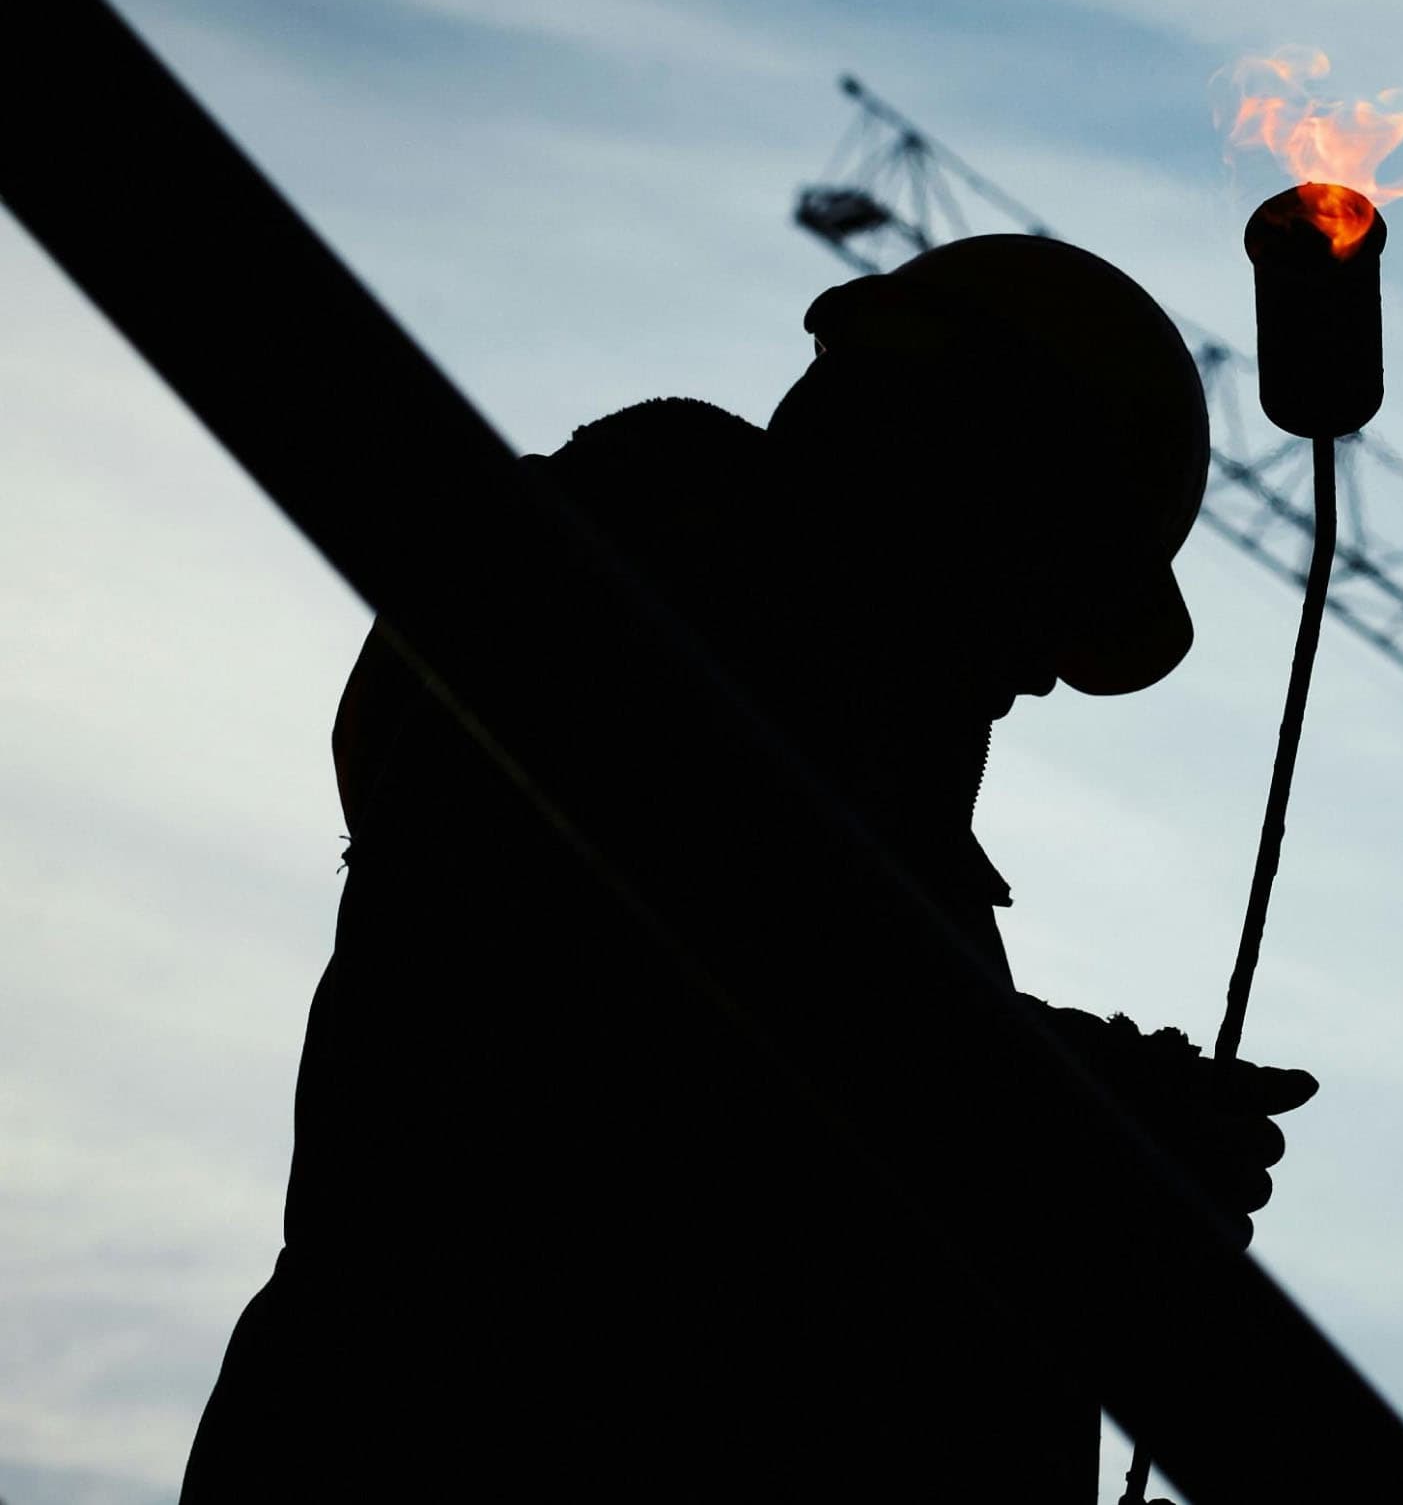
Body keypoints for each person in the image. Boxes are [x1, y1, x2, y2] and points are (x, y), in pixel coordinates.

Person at [181, 236, 1313, 1501]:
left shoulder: (838, 834)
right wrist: (1077, 1122)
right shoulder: (612, 628)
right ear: (953, 470)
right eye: (1052, 583)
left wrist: (1083, 1121)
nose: (1044, 667)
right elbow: (700, 1052)